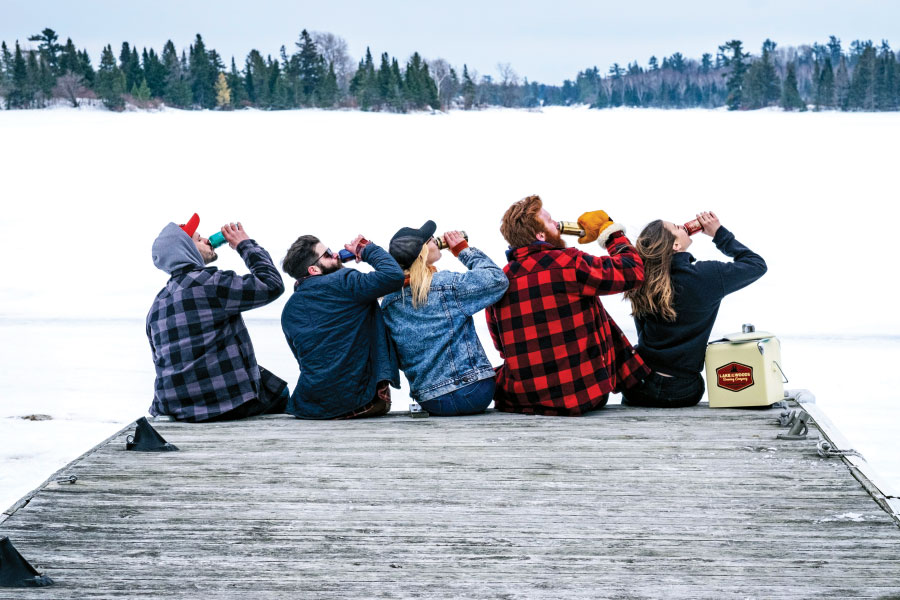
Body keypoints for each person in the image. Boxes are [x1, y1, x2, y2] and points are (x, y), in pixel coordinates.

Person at [486, 195, 650, 416]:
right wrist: (611, 233)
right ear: (541, 235)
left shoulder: (500, 280)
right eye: (551, 221)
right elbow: (631, 271)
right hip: (582, 396)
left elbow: (501, 347)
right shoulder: (568, 262)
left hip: (522, 400)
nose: (558, 224)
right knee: (592, 307)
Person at [147, 214, 289, 422]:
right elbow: (272, 284)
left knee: (266, 380)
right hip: (223, 404)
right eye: (198, 239)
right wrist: (245, 244)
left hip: (176, 406)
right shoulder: (212, 284)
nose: (206, 240)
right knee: (280, 393)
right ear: (185, 250)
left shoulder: (156, 305)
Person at [622, 211, 767, 407]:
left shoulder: (643, 281)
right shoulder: (707, 275)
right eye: (676, 227)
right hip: (682, 390)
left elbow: (642, 334)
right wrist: (719, 233)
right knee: (696, 384)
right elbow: (756, 264)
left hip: (638, 385)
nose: (683, 226)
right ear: (675, 245)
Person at [381, 222, 509, 416]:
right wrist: (462, 250)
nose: (436, 240)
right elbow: (497, 280)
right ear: (423, 253)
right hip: (474, 392)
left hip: (432, 400)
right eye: (430, 239)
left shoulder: (389, 303)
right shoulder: (447, 285)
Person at [281, 233, 404, 419]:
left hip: (310, 406)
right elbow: (393, 276)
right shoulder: (344, 281)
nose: (336, 254)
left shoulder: (288, 311)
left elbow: (304, 361)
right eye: (328, 254)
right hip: (362, 401)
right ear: (313, 269)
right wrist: (366, 249)